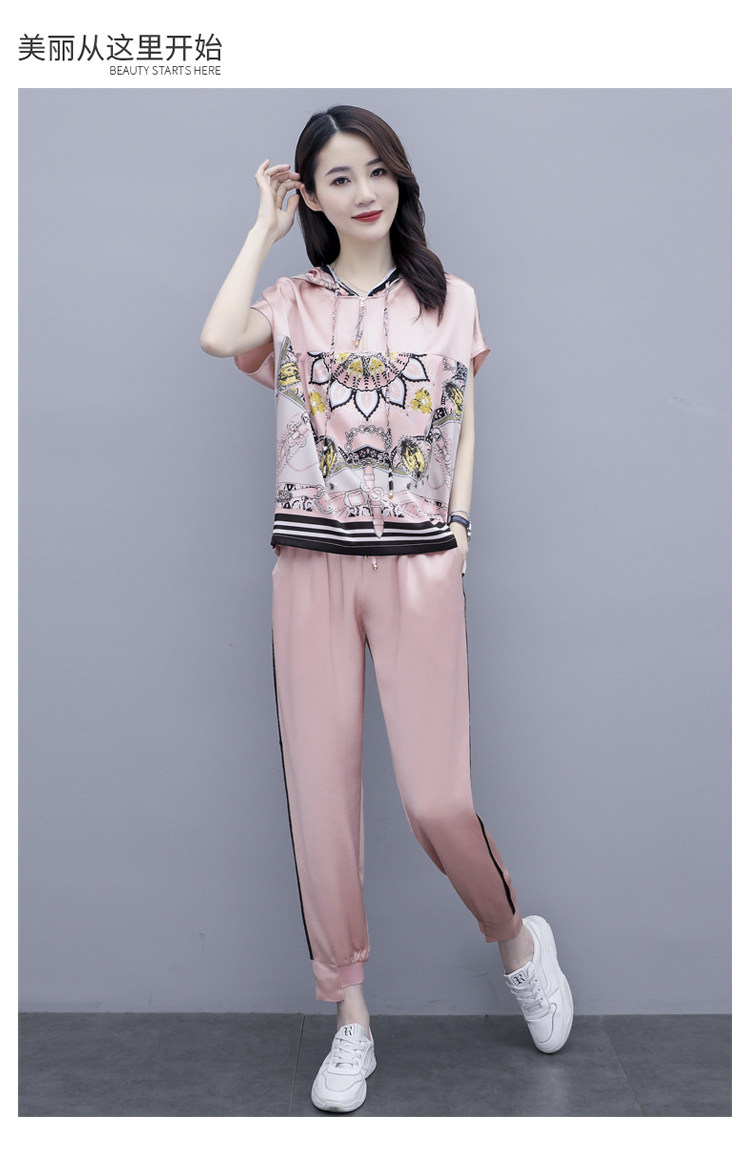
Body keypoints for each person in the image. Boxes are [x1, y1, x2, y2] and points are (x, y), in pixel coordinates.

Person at [200, 105, 573, 1113]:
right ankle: (351, 1020)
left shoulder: (450, 299)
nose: (363, 192)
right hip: (311, 564)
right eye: (338, 178)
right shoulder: (291, 301)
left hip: (418, 565)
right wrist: (261, 231)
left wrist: (461, 526)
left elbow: (463, 420)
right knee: (321, 801)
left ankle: (516, 941)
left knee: (435, 799)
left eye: (376, 170)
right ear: (314, 198)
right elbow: (217, 337)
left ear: (399, 179)